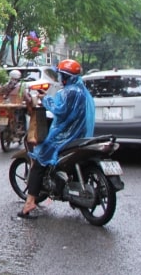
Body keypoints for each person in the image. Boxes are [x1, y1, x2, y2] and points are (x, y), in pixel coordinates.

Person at [17, 59, 95, 219]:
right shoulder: (82, 91)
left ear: (65, 77)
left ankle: (29, 202)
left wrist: (45, 99)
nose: (59, 78)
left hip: (66, 136)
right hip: (82, 135)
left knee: (39, 161)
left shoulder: (68, 92)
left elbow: (59, 110)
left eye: (60, 75)